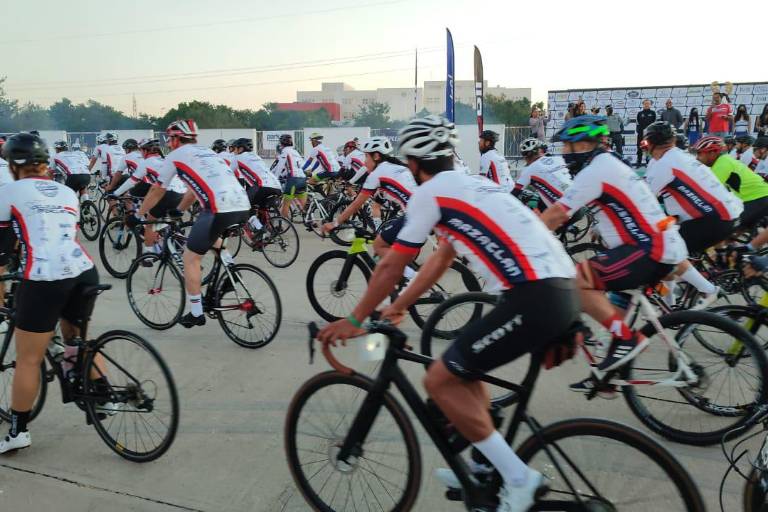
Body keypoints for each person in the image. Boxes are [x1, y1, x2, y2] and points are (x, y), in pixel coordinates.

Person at [318, 115, 579, 511]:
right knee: (463, 368)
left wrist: (355, 319)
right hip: (560, 290)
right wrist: (399, 306)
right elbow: (440, 259)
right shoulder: (473, 184)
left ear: (414, 163)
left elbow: (390, 264)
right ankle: (481, 466)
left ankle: (519, 479)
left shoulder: (432, 191)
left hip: (533, 295)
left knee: (439, 380)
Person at [539, 116, 689, 375]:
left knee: (578, 281)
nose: (563, 153)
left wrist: (518, 239)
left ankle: (627, 339)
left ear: (583, 145)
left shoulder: (596, 170)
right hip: (655, 245)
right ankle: (608, 377)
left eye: (566, 146)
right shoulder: (606, 163)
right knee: (610, 309)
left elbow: (557, 214)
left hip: (648, 249)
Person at [0, 133, 103, 455]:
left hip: (45, 275)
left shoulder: (8, 192)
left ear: (14, 166)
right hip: (83, 270)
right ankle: (103, 395)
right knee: (77, 340)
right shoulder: (65, 192)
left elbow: (2, 255)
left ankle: (18, 430)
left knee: (29, 358)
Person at [131, 120, 250, 328]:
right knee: (214, 241)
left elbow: (157, 190)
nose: (168, 142)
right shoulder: (208, 152)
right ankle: (232, 273)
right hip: (242, 204)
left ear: (177, 139)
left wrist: (139, 215)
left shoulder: (176, 156)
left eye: (170, 138)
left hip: (218, 207)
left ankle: (196, 312)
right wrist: (180, 211)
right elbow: (193, 190)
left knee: (190, 258)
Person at [643, 122, 743, 306]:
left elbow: (641, 200)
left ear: (650, 143)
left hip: (714, 218)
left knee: (665, 252)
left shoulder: (663, 164)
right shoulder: (679, 156)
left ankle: (709, 291)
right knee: (669, 248)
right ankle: (672, 305)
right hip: (725, 213)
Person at [322, 137, 417, 265]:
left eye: (366, 157)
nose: (364, 162)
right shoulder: (396, 167)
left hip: (415, 215)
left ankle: (411, 277)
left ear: (376, 156)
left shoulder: (376, 174)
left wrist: (334, 224)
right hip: (424, 209)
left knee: (379, 245)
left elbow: (356, 204)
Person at [112, 138, 187, 255]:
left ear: (145, 151)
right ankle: (180, 246)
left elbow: (132, 181)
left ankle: (148, 256)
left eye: (141, 150)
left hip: (167, 192)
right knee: (166, 220)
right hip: (182, 193)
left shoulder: (147, 162)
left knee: (150, 222)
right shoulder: (165, 159)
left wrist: (115, 193)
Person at [694, 136, 768, 254]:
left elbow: (706, 193)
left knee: (724, 228)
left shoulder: (722, 164)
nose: (697, 158)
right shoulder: (723, 160)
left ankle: (727, 260)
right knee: (728, 232)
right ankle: (730, 258)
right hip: (754, 198)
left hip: (758, 198)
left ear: (713, 153)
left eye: (699, 154)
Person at [228, 137, 282, 238]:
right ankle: (267, 233)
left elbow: (228, 174)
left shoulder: (237, 158)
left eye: (235, 148)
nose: (234, 151)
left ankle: (259, 229)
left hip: (263, 185)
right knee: (261, 208)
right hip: (277, 186)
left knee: (246, 207)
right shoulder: (256, 156)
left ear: (241, 149)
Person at [513, 137, 571, 209]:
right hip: (578, 203)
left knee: (529, 199)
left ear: (526, 157)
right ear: (541, 151)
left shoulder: (529, 169)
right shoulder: (558, 159)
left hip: (563, 210)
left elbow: (515, 193)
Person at [272, 133, 306, 218]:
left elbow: (279, 167)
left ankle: (282, 223)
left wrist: (274, 179)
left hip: (293, 179)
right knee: (302, 207)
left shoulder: (285, 151)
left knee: (285, 204)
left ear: (282, 143)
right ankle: (310, 220)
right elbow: (300, 165)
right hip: (302, 178)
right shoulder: (295, 151)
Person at [635, 99, 656, 167]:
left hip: (649, 134)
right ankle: (639, 162)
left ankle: (648, 162)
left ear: (650, 105)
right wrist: (639, 131)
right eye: (645, 103)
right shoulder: (640, 113)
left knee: (648, 148)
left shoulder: (653, 113)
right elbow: (637, 124)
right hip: (641, 134)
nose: (646, 105)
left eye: (648, 103)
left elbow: (654, 124)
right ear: (643, 105)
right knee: (640, 147)